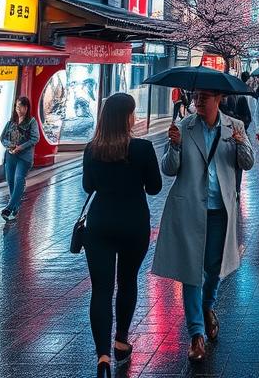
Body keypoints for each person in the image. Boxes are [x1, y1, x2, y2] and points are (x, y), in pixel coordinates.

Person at [152, 87, 254, 362]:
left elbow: (248, 162)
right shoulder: (184, 127)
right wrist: (173, 145)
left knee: (213, 268)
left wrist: (241, 142)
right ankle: (196, 333)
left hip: (220, 209)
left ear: (218, 99)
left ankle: (208, 306)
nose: (197, 101)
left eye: (204, 97)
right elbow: (169, 168)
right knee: (191, 271)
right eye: (195, 97)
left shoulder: (235, 126)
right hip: (189, 209)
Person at [82, 93, 163, 375]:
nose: (135, 117)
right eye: (132, 112)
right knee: (127, 282)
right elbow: (154, 187)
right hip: (134, 223)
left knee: (101, 290)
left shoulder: (92, 149)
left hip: (100, 223)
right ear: (125, 118)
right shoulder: (142, 148)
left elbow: (88, 186)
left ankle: (102, 355)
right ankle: (120, 341)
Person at [0, 95, 39, 220]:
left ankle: (9, 208)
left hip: (24, 157)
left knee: (19, 179)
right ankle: (15, 207)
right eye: (17, 106)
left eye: (21, 107)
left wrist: (20, 147)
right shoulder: (11, 121)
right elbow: (2, 137)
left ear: (26, 108)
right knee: (10, 180)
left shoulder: (32, 122)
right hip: (11, 155)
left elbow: (35, 138)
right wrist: (10, 146)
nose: (18, 109)